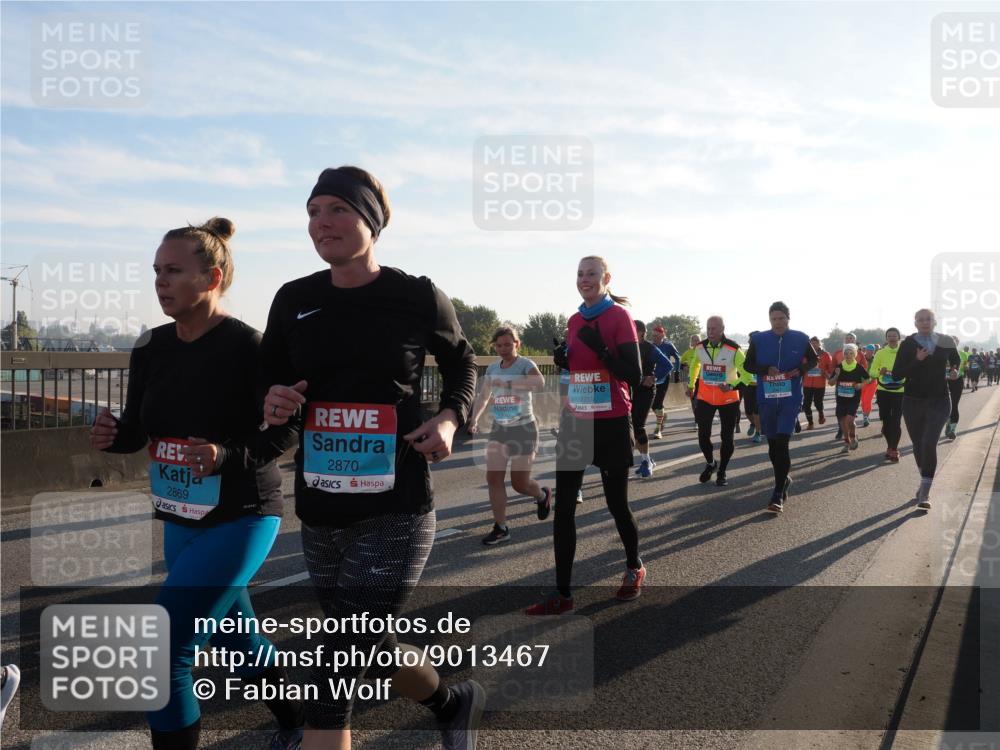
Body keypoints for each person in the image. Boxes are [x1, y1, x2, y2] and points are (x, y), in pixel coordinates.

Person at [259, 166, 483, 749]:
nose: (320, 223)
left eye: (336, 210)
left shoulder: (415, 296)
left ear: (371, 222)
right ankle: (452, 700)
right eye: (312, 212)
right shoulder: (294, 299)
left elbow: (463, 365)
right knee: (364, 643)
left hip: (398, 506)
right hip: (321, 508)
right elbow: (270, 379)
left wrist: (451, 417)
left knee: (335, 668)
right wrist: (274, 398)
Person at [90, 218, 305, 750]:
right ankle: (300, 722)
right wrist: (115, 435)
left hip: (243, 513)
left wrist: (224, 455)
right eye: (157, 271)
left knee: (163, 652)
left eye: (173, 271)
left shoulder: (252, 348)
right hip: (179, 516)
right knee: (241, 640)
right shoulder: (151, 348)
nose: (160, 282)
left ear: (211, 278)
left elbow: (286, 431)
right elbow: (140, 430)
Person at [527, 256, 643, 615]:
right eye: (580, 274)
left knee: (616, 504)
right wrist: (565, 359)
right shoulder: (575, 320)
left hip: (610, 420)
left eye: (591, 274)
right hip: (577, 420)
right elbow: (579, 368)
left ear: (606, 278)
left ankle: (634, 566)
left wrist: (604, 351)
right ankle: (562, 595)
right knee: (563, 510)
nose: (584, 279)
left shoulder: (619, 317)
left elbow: (633, 375)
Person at [467, 327, 551, 545]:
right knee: (493, 478)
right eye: (499, 345)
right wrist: (474, 419)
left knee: (519, 484)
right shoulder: (493, 368)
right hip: (500, 428)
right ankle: (501, 527)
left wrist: (509, 384)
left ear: (517, 344)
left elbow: (539, 383)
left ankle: (542, 495)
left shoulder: (525, 364)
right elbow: (484, 396)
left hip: (524, 428)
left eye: (508, 344)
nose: (503, 349)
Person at [743, 302, 818, 513]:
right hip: (766, 398)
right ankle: (784, 479)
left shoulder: (801, 338)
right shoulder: (758, 340)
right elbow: (748, 365)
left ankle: (777, 493)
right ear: (769, 320)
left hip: (790, 398)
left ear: (788, 319)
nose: (778, 323)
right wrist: (766, 369)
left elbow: (814, 359)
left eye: (781, 318)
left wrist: (799, 369)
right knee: (773, 445)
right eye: (774, 319)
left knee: (783, 442)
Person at [891, 308, 961, 510]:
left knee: (929, 442)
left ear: (935, 321)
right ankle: (925, 480)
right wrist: (917, 360)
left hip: (939, 400)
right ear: (915, 323)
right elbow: (897, 375)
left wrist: (954, 369)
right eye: (920, 319)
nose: (924, 322)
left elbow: (955, 358)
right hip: (913, 401)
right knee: (918, 445)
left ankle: (925, 491)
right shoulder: (908, 344)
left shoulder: (946, 340)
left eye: (928, 319)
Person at [685, 316, 744, 487]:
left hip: (728, 399)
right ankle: (711, 463)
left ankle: (722, 471)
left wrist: (732, 385)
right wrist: (691, 384)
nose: (710, 332)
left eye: (714, 329)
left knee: (727, 438)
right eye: (708, 328)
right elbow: (695, 365)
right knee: (703, 436)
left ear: (722, 329)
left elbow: (747, 374)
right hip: (705, 398)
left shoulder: (733, 349)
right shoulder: (700, 347)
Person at [633, 320, 670, 477]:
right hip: (630, 390)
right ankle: (646, 459)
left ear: (641, 332)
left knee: (639, 425)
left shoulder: (649, 348)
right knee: (632, 427)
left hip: (646, 391)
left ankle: (646, 461)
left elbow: (668, 365)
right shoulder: (627, 346)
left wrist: (654, 377)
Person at [869, 327, 906, 460]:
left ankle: (893, 449)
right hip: (883, 391)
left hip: (900, 391)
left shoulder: (904, 353)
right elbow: (872, 372)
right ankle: (890, 446)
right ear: (886, 338)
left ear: (898, 337)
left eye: (894, 335)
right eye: (889, 335)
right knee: (886, 421)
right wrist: (880, 371)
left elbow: (910, 370)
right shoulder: (880, 353)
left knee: (896, 421)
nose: (891, 337)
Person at [828, 344, 871, 453]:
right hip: (841, 398)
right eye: (846, 353)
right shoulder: (839, 367)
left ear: (855, 355)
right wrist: (836, 376)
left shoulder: (858, 367)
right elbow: (831, 383)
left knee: (850, 420)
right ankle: (847, 442)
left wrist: (860, 385)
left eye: (851, 353)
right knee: (843, 422)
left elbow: (868, 379)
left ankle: (852, 437)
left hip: (854, 398)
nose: (848, 355)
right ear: (843, 355)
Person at [650, 324, 681, 439]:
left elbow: (678, 358)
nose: (655, 337)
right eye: (653, 335)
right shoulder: (650, 346)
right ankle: (663, 415)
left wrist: (677, 372)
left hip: (664, 378)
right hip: (652, 378)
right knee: (653, 405)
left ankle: (658, 429)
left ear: (662, 335)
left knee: (658, 402)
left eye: (657, 335)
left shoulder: (668, 346)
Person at [737, 331, 763, 444]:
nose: (748, 341)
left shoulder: (765, 352)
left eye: (750, 339)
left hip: (760, 385)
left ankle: (758, 433)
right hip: (748, 384)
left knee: (757, 411)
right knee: (748, 412)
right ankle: (754, 424)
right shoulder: (747, 352)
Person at [802, 336, 833, 430]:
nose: (813, 345)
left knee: (818, 403)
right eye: (811, 343)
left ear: (819, 344)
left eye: (816, 343)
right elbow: (800, 366)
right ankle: (810, 423)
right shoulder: (804, 355)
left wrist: (826, 373)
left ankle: (821, 414)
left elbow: (830, 368)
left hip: (820, 384)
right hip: (807, 384)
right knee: (806, 405)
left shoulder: (825, 354)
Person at [945, 336, 966, 440]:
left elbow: (965, 365)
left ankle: (952, 429)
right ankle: (947, 421)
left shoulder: (962, 354)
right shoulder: (941, 353)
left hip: (957, 381)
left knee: (954, 405)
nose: (952, 343)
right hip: (943, 381)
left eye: (955, 341)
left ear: (957, 343)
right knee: (944, 405)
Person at [679, 333, 702, 425]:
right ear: (691, 342)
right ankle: (697, 420)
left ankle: (701, 419)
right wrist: (684, 367)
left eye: (698, 340)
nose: (696, 342)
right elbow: (680, 363)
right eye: (694, 340)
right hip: (692, 379)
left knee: (701, 402)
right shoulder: (688, 352)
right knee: (693, 402)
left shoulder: (704, 351)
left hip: (703, 379)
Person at [859, 344, 878, 427]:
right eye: (868, 350)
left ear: (874, 351)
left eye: (872, 351)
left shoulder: (876, 359)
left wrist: (872, 378)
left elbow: (878, 370)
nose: (870, 352)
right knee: (863, 401)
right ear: (865, 350)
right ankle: (865, 415)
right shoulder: (861, 359)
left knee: (868, 400)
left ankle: (866, 417)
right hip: (861, 382)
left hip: (872, 382)